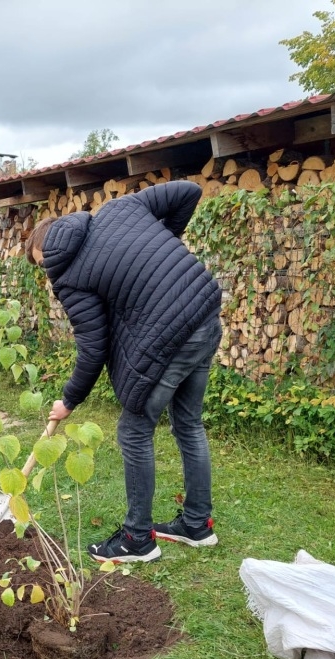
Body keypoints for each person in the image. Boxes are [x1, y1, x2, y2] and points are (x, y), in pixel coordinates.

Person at [25, 180, 223, 563]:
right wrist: (161, 244)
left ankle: (137, 539)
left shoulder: (67, 275)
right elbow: (189, 191)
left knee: (133, 431)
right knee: (189, 423)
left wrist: (68, 400)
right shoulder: (120, 210)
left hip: (171, 335)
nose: (46, 274)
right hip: (205, 313)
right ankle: (197, 525)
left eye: (41, 263)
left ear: (45, 249)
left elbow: (93, 347)